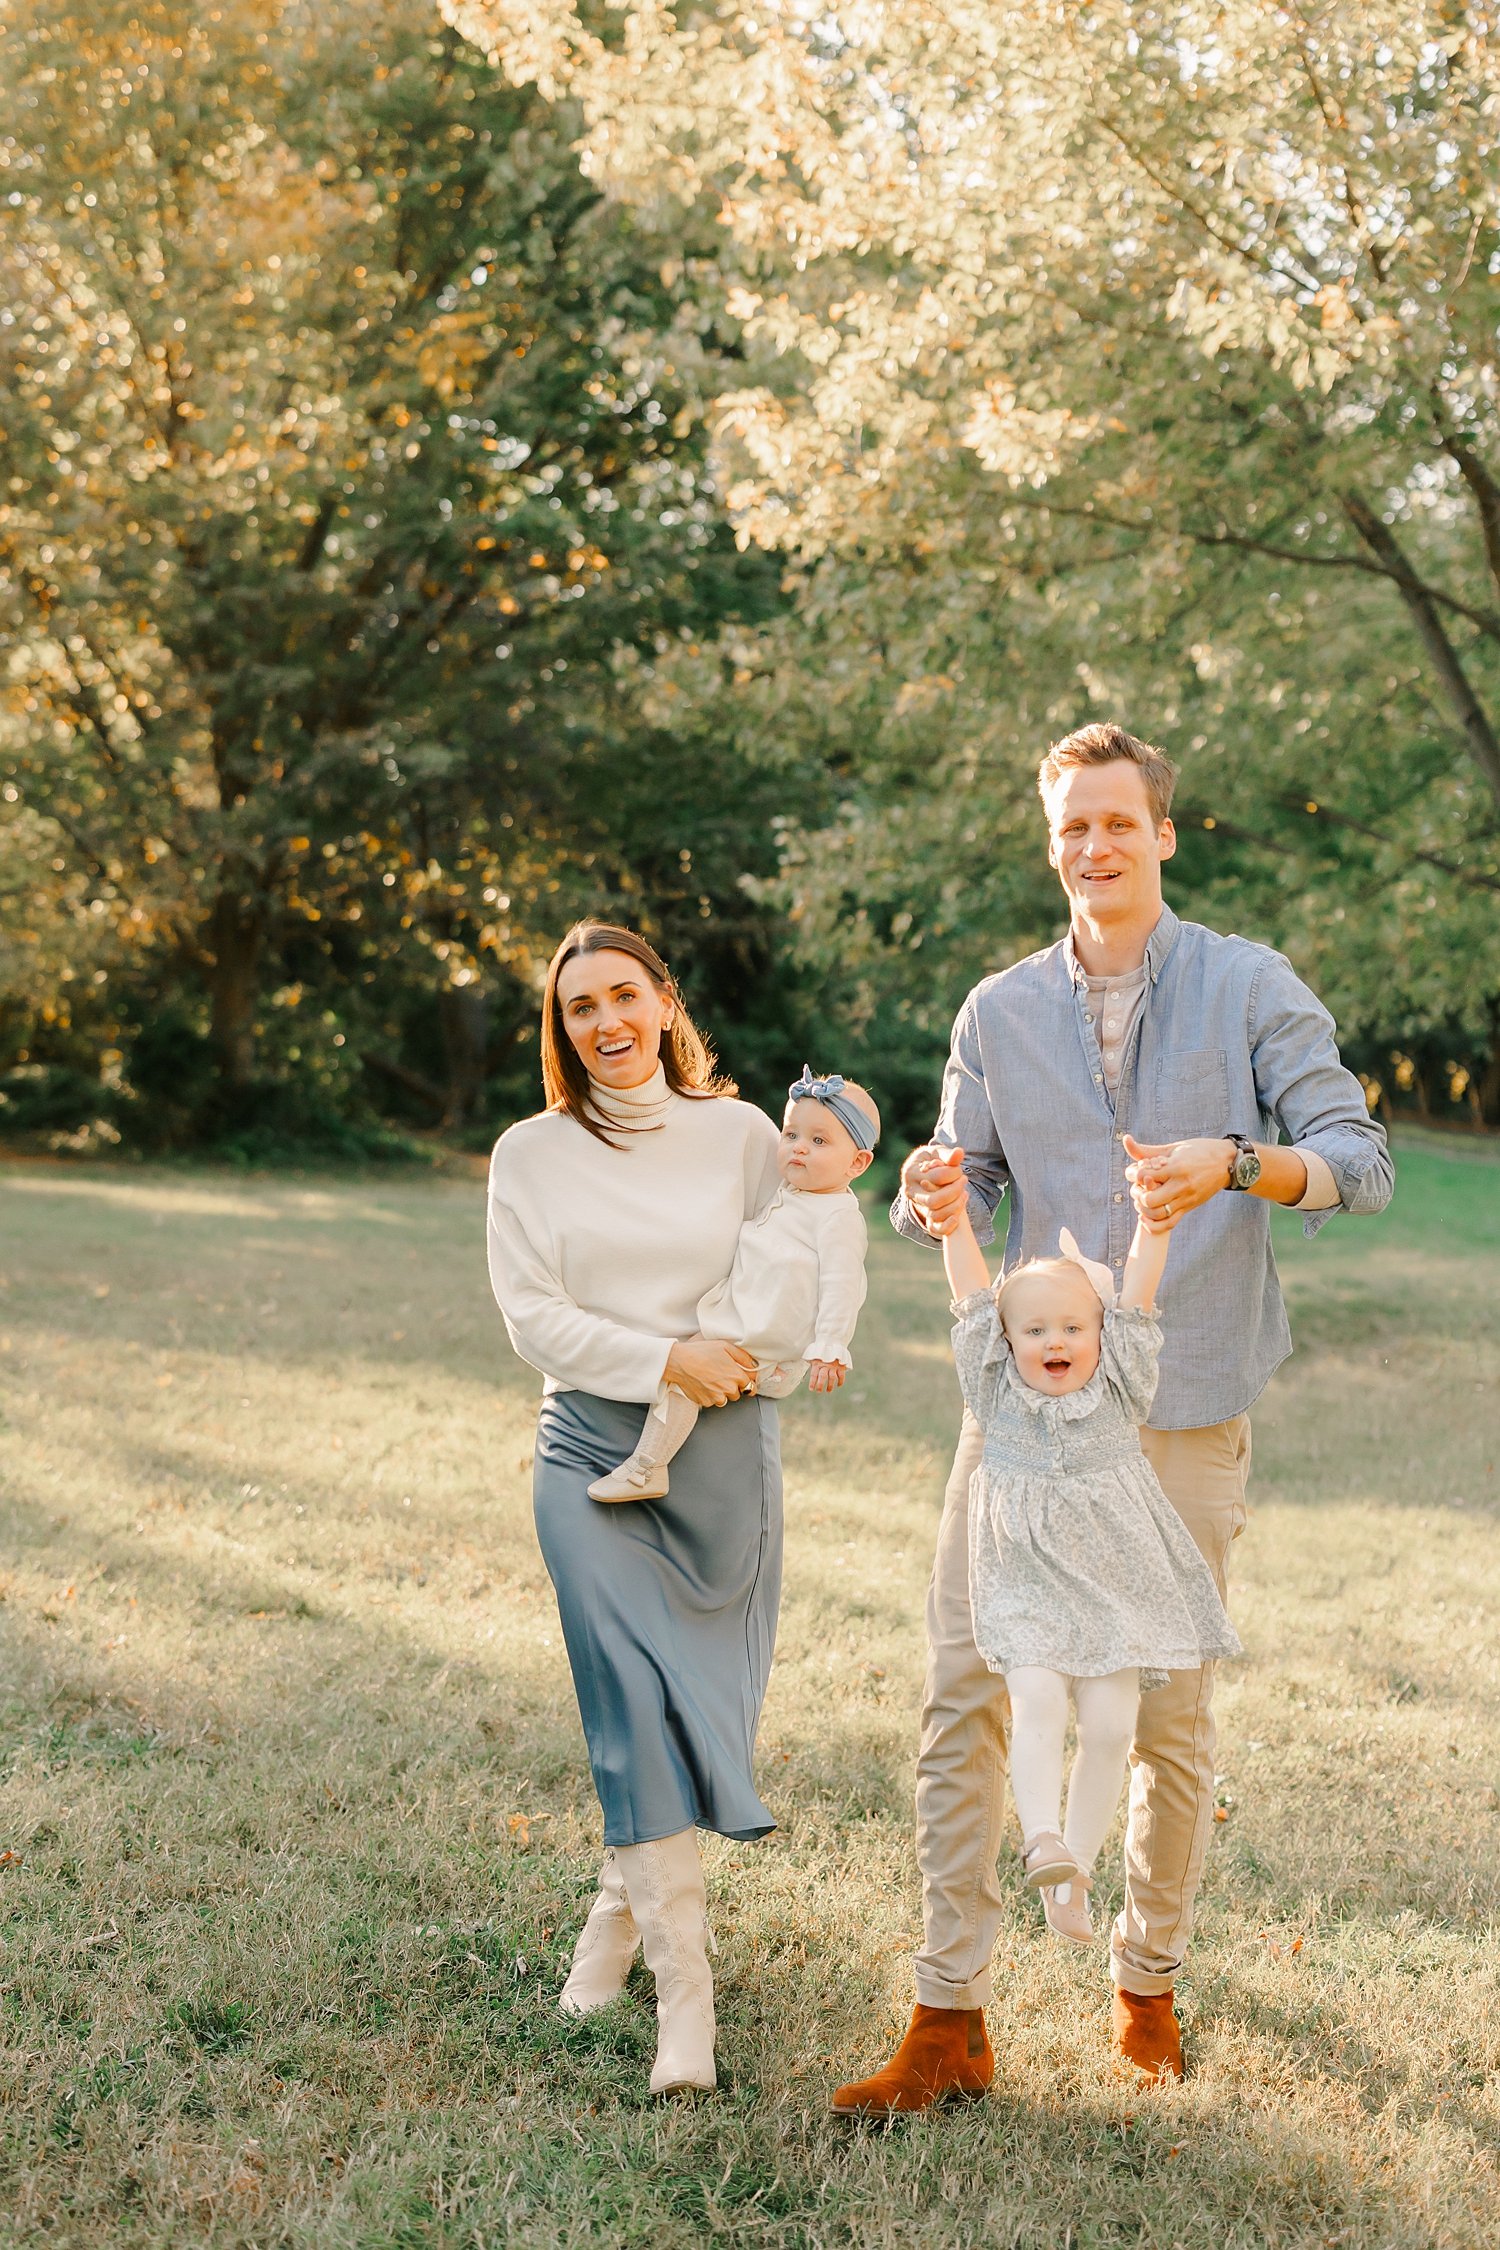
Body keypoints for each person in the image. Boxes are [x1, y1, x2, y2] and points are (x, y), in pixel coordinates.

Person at [832, 721, 1393, 2114]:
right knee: (966, 1692)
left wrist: (1235, 1162)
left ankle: (1147, 1982)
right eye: (1071, 824)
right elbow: (947, 1189)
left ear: (1164, 833)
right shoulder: (996, 1009)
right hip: (1019, 1413)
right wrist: (924, 1195)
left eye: (1118, 822)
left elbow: (1359, 1162)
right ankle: (948, 2017)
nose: (1094, 845)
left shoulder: (1250, 986)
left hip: (1182, 1399)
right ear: (1051, 840)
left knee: (1161, 1713)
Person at [486, 919, 783, 2098]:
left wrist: (746, 1353)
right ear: (560, 1029)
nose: (604, 1023)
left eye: (623, 996)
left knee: (684, 1717)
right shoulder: (531, 1153)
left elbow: (795, 1266)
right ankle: (687, 2008)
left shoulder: (744, 1135)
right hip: (589, 1453)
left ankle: (614, 1921)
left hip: (725, 1458)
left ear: (664, 1000)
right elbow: (533, 1320)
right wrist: (666, 1356)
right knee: (624, 1704)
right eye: (578, 1008)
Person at [936, 1199, 1240, 1951]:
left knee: (1111, 1727)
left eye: (1073, 1327)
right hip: (1028, 1584)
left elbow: (1137, 1297)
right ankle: (1042, 1839)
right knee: (1036, 1700)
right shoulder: (996, 1393)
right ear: (1005, 1343)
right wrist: (951, 1225)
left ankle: (1073, 1877)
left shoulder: (1121, 1389)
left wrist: (1154, 1229)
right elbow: (971, 1298)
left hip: (1116, 1586)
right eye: (1034, 1330)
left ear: (1101, 1336)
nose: (1055, 1341)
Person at [588, 1065, 877, 1502]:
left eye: (818, 1142)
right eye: (791, 1135)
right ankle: (772, 1374)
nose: (798, 1149)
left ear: (857, 1162)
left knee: (682, 1376)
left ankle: (648, 1466)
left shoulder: (838, 1216)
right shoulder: (793, 1193)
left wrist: (830, 1345)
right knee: (686, 1359)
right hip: (748, 1319)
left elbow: (842, 1283)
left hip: (760, 1332)